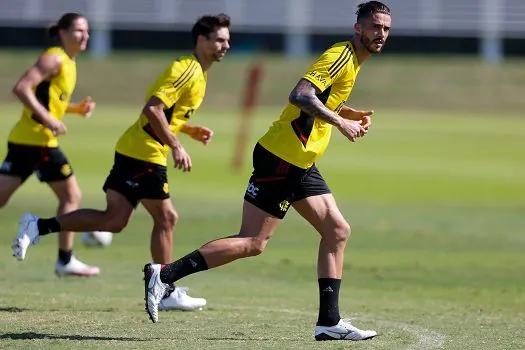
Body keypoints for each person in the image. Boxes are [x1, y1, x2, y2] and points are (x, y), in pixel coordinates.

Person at [143, 1, 392, 340]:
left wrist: (344, 113)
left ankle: (329, 323)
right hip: (282, 158)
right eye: (375, 26)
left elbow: (321, 99)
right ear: (359, 28)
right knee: (253, 242)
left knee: (337, 231)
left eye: (386, 28)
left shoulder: (352, 62)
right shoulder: (341, 56)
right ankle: (166, 275)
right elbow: (301, 95)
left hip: (300, 160)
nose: (381, 33)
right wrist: (340, 124)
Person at [13, 14, 232, 312]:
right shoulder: (187, 69)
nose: (225, 45)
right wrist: (177, 145)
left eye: (227, 40)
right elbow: (152, 108)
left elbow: (165, 114)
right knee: (167, 218)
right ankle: (164, 288)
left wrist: (188, 129)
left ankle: (38, 226)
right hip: (145, 152)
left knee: (113, 221)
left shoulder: (199, 73)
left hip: (133, 148)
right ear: (201, 40)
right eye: (219, 40)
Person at [1, 13, 102, 277]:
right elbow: (22, 88)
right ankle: (65, 259)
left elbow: (49, 101)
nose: (85, 36)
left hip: (26, 139)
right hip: (39, 142)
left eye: (87, 31)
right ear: (63, 32)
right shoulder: (54, 58)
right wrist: (49, 120)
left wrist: (75, 109)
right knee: (71, 197)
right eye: (79, 30)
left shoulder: (68, 62)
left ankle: (65, 260)